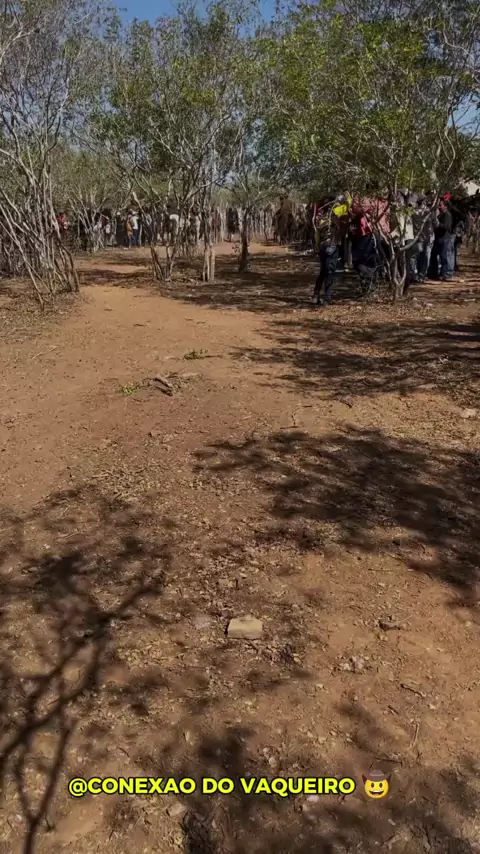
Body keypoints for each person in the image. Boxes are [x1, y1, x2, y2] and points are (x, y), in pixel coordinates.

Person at [313, 207, 340, 306]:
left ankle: (316, 294)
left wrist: (317, 245)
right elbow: (348, 203)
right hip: (332, 245)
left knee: (323, 271)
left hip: (322, 246)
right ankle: (327, 297)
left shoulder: (320, 218)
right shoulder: (336, 212)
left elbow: (317, 234)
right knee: (330, 272)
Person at [428, 199, 454, 281]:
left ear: (445, 206)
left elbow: (447, 227)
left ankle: (445, 274)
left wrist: (438, 224)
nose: (439, 207)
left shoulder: (447, 215)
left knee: (444, 256)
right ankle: (433, 273)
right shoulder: (440, 215)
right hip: (438, 238)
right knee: (433, 255)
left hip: (444, 238)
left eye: (440, 205)